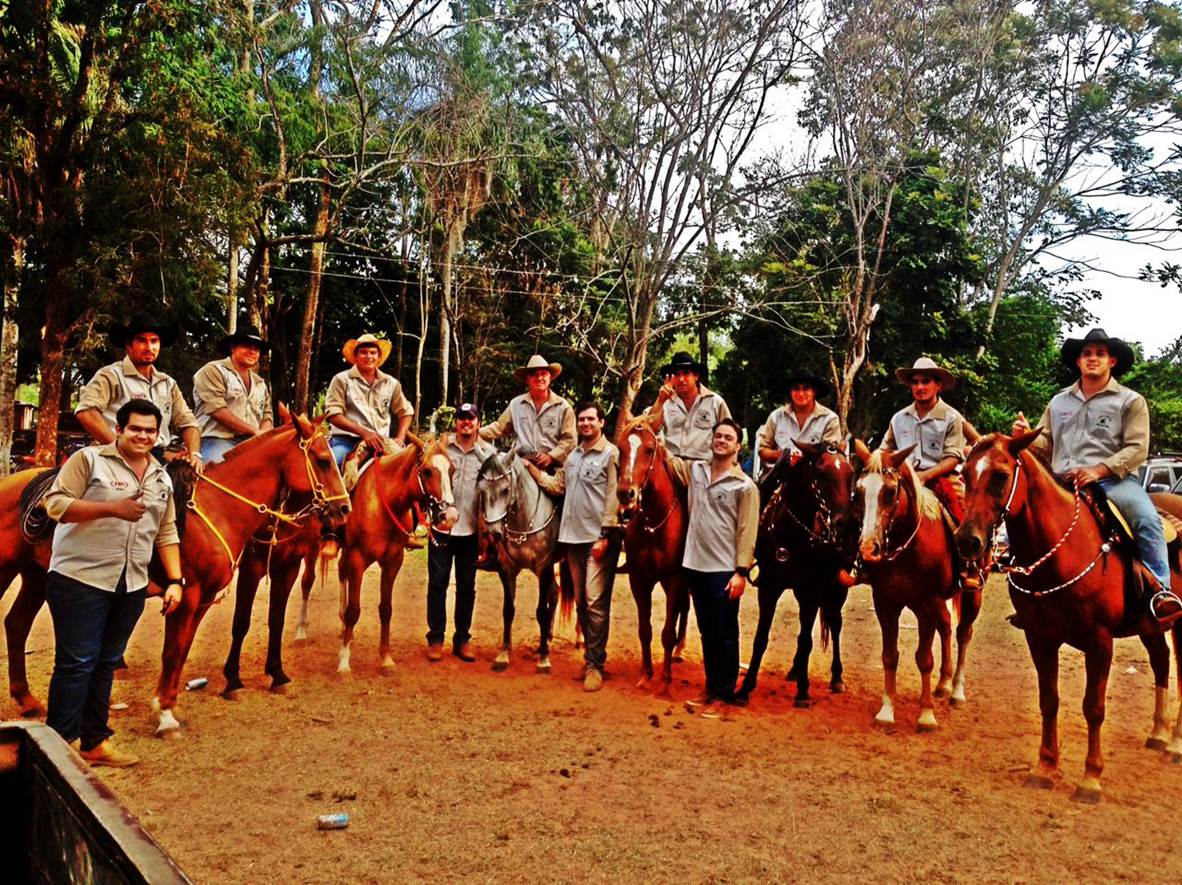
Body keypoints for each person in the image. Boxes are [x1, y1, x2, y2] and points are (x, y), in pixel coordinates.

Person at [41, 399, 184, 768]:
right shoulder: (89, 461)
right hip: (80, 578)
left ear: (158, 435)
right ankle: (57, 749)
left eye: (150, 430)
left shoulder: (161, 477)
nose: (143, 435)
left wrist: (174, 579)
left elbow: (166, 531)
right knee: (76, 663)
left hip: (131, 583)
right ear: (118, 429)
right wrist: (111, 508)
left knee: (105, 663)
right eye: (135, 428)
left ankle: (94, 742)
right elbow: (55, 505)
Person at [1013, 328, 1182, 624]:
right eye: (1086, 353)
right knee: (1025, 519)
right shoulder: (1058, 402)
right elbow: (1046, 443)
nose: (1092, 358)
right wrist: (1027, 435)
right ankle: (1028, 595)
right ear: (1078, 361)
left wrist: (1097, 470)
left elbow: (1137, 448)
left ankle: (1160, 591)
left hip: (1114, 482)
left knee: (1146, 519)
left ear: (1112, 361)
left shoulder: (1131, 401)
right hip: (1062, 480)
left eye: (1099, 354)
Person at [666, 419, 759, 719]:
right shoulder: (695, 471)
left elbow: (747, 532)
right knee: (707, 632)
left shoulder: (744, 486)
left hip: (724, 570)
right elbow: (665, 456)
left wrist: (741, 572)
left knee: (725, 633)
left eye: (728, 438)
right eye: (717, 436)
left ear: (737, 446)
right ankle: (710, 687)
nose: (721, 441)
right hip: (695, 565)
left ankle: (724, 696)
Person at [526, 402, 621, 692]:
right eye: (581, 419)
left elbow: (613, 495)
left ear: (602, 423)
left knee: (595, 601)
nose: (585, 424)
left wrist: (606, 534)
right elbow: (558, 487)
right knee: (582, 600)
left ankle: (596, 665)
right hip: (571, 538)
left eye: (591, 419)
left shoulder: (610, 454)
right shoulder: (574, 456)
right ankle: (590, 659)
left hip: (597, 538)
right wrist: (533, 472)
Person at [878, 356, 981, 590]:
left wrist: (924, 476)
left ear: (938, 385)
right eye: (915, 382)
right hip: (903, 478)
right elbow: (885, 449)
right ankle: (863, 561)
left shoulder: (951, 417)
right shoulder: (899, 418)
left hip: (940, 477)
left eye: (926, 381)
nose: (920, 387)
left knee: (963, 509)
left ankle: (969, 564)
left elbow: (953, 456)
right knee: (869, 503)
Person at [75, 313, 202, 469]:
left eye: (154, 341)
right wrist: (120, 449)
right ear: (129, 345)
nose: (149, 347)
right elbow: (86, 412)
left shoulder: (168, 384)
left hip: (159, 458)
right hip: (114, 456)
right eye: (142, 341)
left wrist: (194, 453)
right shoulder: (111, 375)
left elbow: (188, 422)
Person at [426, 403, 495, 663]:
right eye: (462, 418)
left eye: (471, 418)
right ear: (456, 421)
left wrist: (488, 530)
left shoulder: (488, 454)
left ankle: (462, 640)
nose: (466, 422)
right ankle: (435, 638)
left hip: (471, 531)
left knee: (467, 587)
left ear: (478, 422)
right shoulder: (440, 448)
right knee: (437, 584)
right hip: (442, 528)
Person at [324, 333, 413, 469]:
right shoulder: (342, 379)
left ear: (378, 357)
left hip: (382, 443)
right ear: (356, 356)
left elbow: (405, 412)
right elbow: (333, 414)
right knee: (329, 466)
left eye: (373, 353)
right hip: (347, 442)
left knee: (410, 470)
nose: (369, 356)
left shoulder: (391, 383)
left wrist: (400, 439)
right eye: (364, 352)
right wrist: (365, 433)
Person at [191, 324, 273, 464]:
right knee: (216, 475)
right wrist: (255, 432)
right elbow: (217, 410)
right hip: (217, 439)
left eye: (256, 348)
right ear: (233, 347)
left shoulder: (260, 383)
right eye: (247, 346)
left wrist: (263, 435)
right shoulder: (213, 371)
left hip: (251, 444)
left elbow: (267, 416)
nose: (252, 351)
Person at [479, 354, 576, 469]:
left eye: (543, 374)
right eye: (534, 374)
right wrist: (473, 432)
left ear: (550, 377)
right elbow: (499, 428)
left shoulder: (563, 407)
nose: (539, 378)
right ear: (527, 380)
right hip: (521, 465)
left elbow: (570, 440)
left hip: (553, 469)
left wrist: (551, 457)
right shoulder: (516, 404)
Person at [756, 370, 842, 478]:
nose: (801, 393)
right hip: (779, 477)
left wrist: (805, 458)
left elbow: (831, 454)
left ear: (814, 391)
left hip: (815, 478)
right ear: (790, 392)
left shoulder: (830, 419)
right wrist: (783, 456)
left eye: (806, 388)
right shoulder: (776, 416)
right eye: (796, 388)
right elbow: (763, 450)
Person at [649, 351, 732, 461]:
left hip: (704, 465)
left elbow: (730, 434)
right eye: (677, 375)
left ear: (696, 376)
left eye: (686, 373)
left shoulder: (715, 402)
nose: (681, 379)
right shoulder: (665, 402)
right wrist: (660, 401)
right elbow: (649, 428)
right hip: (670, 464)